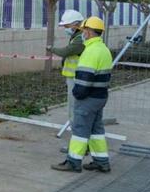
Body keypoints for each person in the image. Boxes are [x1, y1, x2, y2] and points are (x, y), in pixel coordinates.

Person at [52, 16, 113, 173]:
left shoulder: (90, 51)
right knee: (96, 130)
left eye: (84, 30)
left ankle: (73, 162)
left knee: (80, 130)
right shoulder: (104, 49)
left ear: (89, 32)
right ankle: (101, 161)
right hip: (100, 96)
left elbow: (85, 78)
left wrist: (77, 94)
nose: (82, 33)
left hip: (88, 98)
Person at [47, 9, 85, 153]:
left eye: (67, 26)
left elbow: (67, 51)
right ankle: (81, 145)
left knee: (75, 111)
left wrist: (51, 49)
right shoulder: (79, 36)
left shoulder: (80, 38)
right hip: (77, 78)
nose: (65, 29)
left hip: (77, 79)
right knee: (77, 111)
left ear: (76, 24)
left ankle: (77, 146)